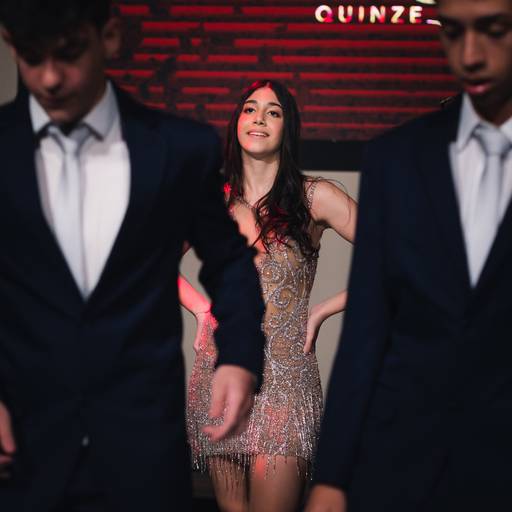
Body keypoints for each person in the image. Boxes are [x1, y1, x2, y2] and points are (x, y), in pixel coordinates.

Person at [0, 1, 266, 511]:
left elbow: (230, 263)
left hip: (142, 452)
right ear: (11, 46)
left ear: (110, 37)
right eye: (32, 57)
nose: (50, 78)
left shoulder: (180, 148)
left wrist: (239, 358)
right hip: (21, 452)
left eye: (69, 53)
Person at [306, 0, 512, 511]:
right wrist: (332, 476)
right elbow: (368, 328)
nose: (470, 55)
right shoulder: (395, 157)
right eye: (453, 31)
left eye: (493, 30)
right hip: (402, 460)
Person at [184, 80, 357, 512]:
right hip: (220, 373)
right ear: (236, 122)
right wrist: (200, 309)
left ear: (287, 127)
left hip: (287, 384)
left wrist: (323, 310)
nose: (258, 118)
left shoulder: (315, 196)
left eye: (273, 111)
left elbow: (397, 258)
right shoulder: (211, 200)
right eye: (249, 108)